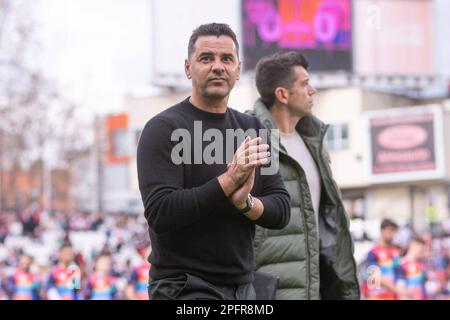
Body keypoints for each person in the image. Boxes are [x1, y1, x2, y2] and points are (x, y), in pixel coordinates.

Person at [137, 23, 290, 300]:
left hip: (243, 287)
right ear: (187, 68)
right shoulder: (163, 128)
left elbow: (280, 208)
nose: (218, 66)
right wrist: (229, 181)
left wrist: (246, 204)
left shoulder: (253, 129)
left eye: (226, 59)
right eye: (206, 58)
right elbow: (161, 211)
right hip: (184, 287)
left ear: (238, 69)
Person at [250, 51, 359, 299]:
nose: (313, 90)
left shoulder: (313, 141)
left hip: (316, 286)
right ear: (282, 94)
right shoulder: (248, 137)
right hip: (271, 291)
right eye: (304, 83)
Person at [364, 219, 403, 300]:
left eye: (394, 231)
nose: (392, 234)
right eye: (390, 230)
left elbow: (398, 272)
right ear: (382, 231)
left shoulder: (396, 252)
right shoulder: (373, 252)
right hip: (377, 296)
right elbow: (373, 276)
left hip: (393, 296)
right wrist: (396, 289)